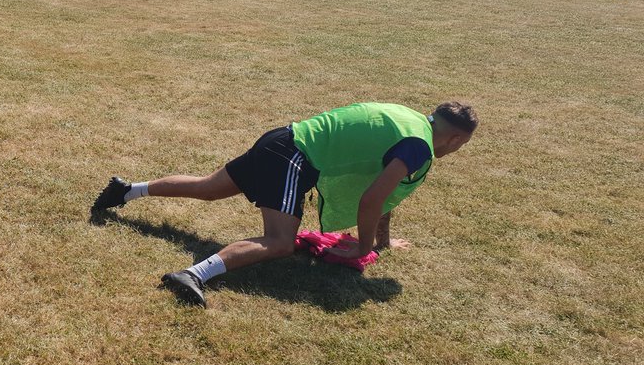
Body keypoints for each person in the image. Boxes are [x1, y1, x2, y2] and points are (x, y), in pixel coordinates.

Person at [92, 101, 478, 308]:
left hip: (281, 139)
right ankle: (193, 275)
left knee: (209, 188)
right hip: (294, 158)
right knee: (279, 242)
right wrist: (364, 248)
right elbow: (373, 200)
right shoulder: (419, 147)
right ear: (457, 140)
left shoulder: (410, 119)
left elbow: (385, 195)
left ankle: (126, 190)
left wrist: (382, 241)